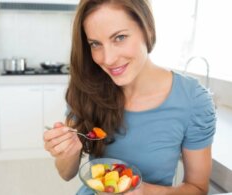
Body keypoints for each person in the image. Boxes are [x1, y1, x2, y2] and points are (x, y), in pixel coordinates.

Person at [43, 0, 216, 194]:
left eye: (119, 37)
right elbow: (66, 173)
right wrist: (69, 150)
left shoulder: (192, 100)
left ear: (148, 29)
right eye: (95, 44)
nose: (107, 59)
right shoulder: (88, 87)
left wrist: (146, 192)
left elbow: (198, 188)